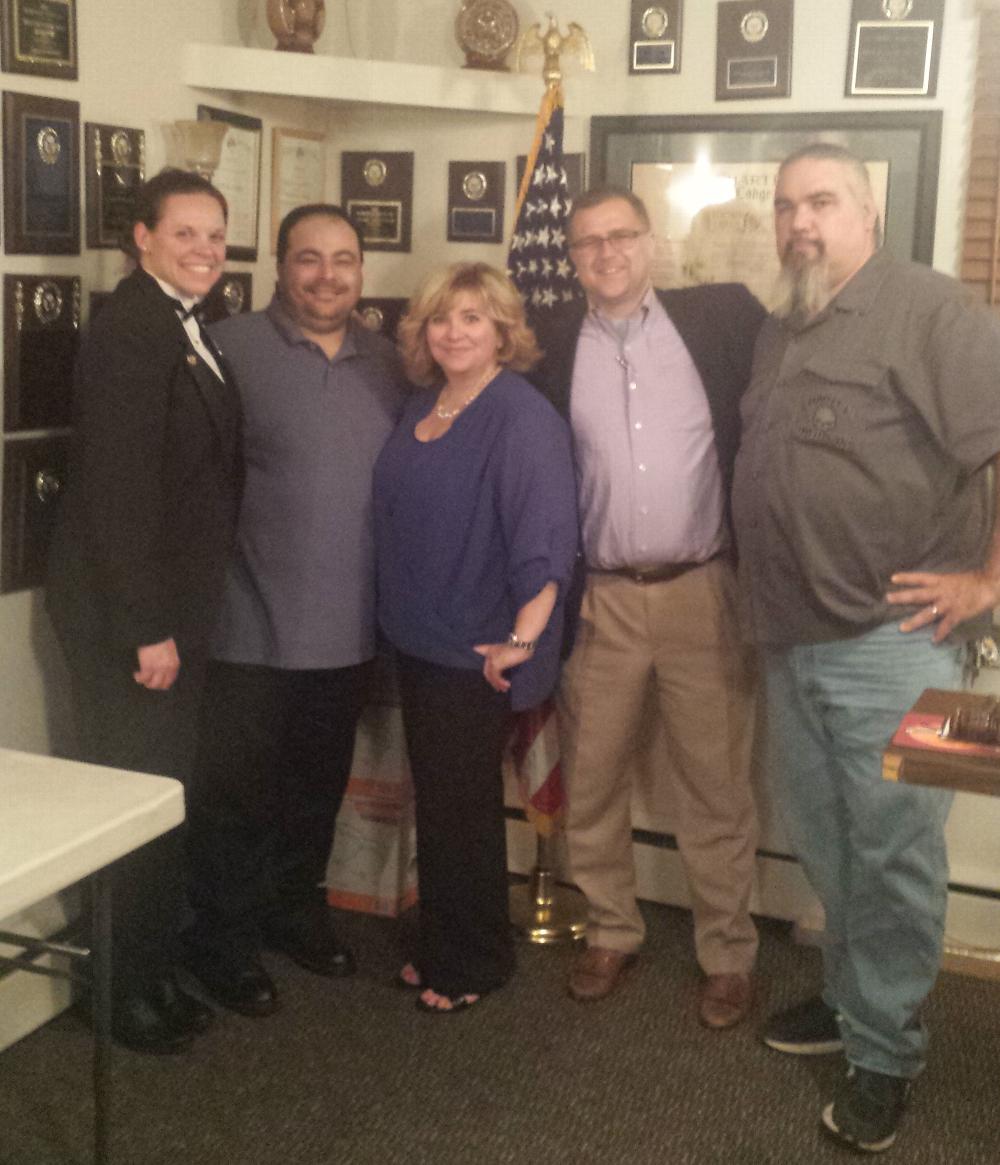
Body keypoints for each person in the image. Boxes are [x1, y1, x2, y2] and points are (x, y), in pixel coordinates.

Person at [732, 141, 1000, 1153]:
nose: (801, 220)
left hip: (916, 645)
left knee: (899, 856)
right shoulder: (779, 325)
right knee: (831, 843)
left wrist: (989, 581)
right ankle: (854, 1001)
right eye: (788, 204)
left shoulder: (931, 307)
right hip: (792, 641)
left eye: (823, 201)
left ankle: (887, 1052)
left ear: (867, 212)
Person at [529, 187, 766, 1027]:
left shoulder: (723, 322)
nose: (606, 254)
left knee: (717, 787)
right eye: (587, 242)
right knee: (592, 779)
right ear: (572, 256)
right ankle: (611, 931)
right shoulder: (549, 342)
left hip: (703, 590)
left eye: (620, 236)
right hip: (602, 601)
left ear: (650, 243)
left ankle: (728, 952)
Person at [182, 205, 406, 1017]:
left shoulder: (390, 362)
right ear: (279, 266)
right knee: (234, 797)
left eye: (343, 259)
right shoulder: (228, 349)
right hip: (245, 624)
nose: (327, 275)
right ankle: (222, 941)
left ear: (361, 270)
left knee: (316, 791)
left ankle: (292, 911)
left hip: (347, 630)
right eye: (309, 259)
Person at [45, 169, 243, 1054]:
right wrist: (146, 626)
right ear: (143, 238)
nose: (204, 249)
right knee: (133, 803)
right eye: (186, 233)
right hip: (132, 618)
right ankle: (118, 992)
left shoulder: (182, 323)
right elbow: (118, 492)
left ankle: (151, 969)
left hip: (171, 607)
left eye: (215, 235)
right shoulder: (132, 326)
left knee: (162, 798)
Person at [374, 262, 578, 1013]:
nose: (454, 332)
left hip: (478, 648)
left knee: (462, 809)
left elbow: (546, 538)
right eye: (441, 318)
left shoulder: (521, 416)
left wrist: (522, 639)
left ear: (503, 331)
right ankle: (444, 942)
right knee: (443, 802)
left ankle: (471, 963)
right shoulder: (426, 403)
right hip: (418, 638)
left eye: (472, 318)